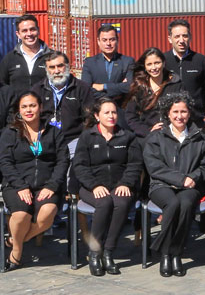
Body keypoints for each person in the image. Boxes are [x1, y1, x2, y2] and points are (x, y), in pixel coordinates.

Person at [140, 93, 205, 278]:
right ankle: (166, 254)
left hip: (190, 186)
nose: (180, 116)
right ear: (168, 114)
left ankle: (176, 253)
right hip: (161, 185)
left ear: (189, 113)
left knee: (186, 204)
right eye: (175, 112)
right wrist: (180, 179)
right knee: (172, 204)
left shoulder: (200, 138)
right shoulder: (156, 137)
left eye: (183, 111)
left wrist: (193, 177)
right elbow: (154, 167)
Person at [0, 92, 68, 272]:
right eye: (24, 107)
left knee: (48, 212)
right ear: (19, 110)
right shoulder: (10, 132)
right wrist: (20, 186)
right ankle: (17, 252)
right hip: (17, 185)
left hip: (47, 185)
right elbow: (4, 161)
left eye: (32, 106)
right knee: (21, 215)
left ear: (40, 108)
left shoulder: (54, 132)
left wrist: (52, 185)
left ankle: (17, 240)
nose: (29, 110)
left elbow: (62, 161)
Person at [72, 97, 143, 277]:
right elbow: (79, 166)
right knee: (104, 203)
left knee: (121, 203)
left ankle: (108, 252)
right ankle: (95, 253)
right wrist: (94, 185)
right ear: (97, 116)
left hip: (120, 185)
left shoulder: (127, 136)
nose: (111, 116)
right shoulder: (87, 137)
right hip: (92, 186)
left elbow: (135, 164)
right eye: (106, 113)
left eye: (114, 112)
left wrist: (126, 183)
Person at [122, 48, 191, 137]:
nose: (154, 68)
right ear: (145, 67)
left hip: (173, 136)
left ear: (163, 63)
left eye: (157, 63)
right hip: (148, 138)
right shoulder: (140, 87)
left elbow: (185, 110)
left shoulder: (176, 84)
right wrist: (148, 131)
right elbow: (130, 115)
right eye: (149, 64)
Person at [33, 52, 92, 147]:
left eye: (60, 66)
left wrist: (83, 141)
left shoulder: (82, 88)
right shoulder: (37, 90)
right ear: (46, 69)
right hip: (45, 141)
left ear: (68, 66)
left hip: (74, 140)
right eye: (52, 67)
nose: (56, 71)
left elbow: (89, 119)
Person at [164, 19, 205, 128]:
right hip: (168, 122)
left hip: (195, 121)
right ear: (170, 39)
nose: (181, 40)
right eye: (177, 36)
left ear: (190, 37)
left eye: (185, 36)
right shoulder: (163, 61)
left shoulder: (201, 61)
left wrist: (200, 109)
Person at [81, 24, 134, 104]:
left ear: (117, 40)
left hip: (121, 108)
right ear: (98, 41)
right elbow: (85, 90)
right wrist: (119, 87)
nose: (108, 43)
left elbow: (130, 87)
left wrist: (103, 86)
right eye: (104, 40)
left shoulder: (128, 62)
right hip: (97, 108)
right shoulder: (90, 63)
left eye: (112, 40)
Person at [0, 14, 51, 91]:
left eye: (32, 29)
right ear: (18, 34)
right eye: (24, 31)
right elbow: (1, 85)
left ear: (38, 30)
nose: (29, 34)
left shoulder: (52, 57)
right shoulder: (9, 59)